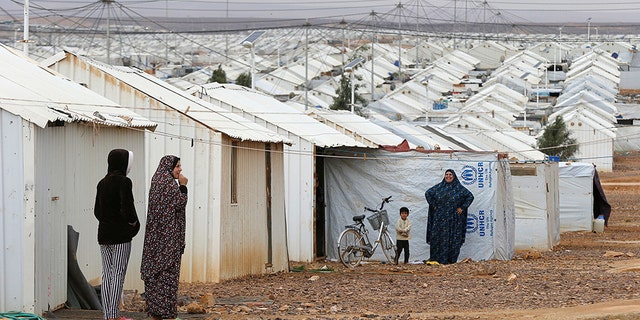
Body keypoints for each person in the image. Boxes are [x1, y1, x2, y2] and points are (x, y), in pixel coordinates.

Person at [94, 149, 140, 320]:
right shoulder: (124, 182)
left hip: (103, 234)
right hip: (120, 236)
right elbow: (128, 209)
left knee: (107, 274)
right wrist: (133, 224)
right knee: (118, 274)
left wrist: (108, 221)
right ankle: (113, 316)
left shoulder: (101, 183)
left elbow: (97, 211)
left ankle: (108, 315)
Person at [141, 155, 189, 320]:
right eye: (177, 166)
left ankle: (157, 313)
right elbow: (179, 203)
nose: (180, 169)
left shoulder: (157, 181)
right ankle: (165, 314)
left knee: (157, 278)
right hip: (166, 244)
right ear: (169, 167)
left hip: (157, 242)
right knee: (166, 277)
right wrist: (183, 187)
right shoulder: (168, 184)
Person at [425, 169, 474, 264]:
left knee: (453, 239)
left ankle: (450, 261)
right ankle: (436, 259)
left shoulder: (459, 188)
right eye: (446, 174)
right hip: (440, 219)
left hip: (454, 219)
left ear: (454, 176)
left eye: (450, 174)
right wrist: (434, 205)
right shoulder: (439, 187)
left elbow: (470, 197)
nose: (448, 176)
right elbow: (428, 193)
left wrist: (462, 208)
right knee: (438, 238)